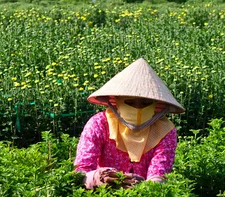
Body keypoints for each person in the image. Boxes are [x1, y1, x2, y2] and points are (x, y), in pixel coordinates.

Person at [74, 58, 185, 189]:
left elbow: (160, 172)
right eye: (130, 102)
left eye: (145, 103)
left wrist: (146, 188)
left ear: (156, 105)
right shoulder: (99, 124)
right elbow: (82, 167)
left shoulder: (164, 130)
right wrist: (98, 178)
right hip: (100, 195)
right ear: (117, 101)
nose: (138, 108)